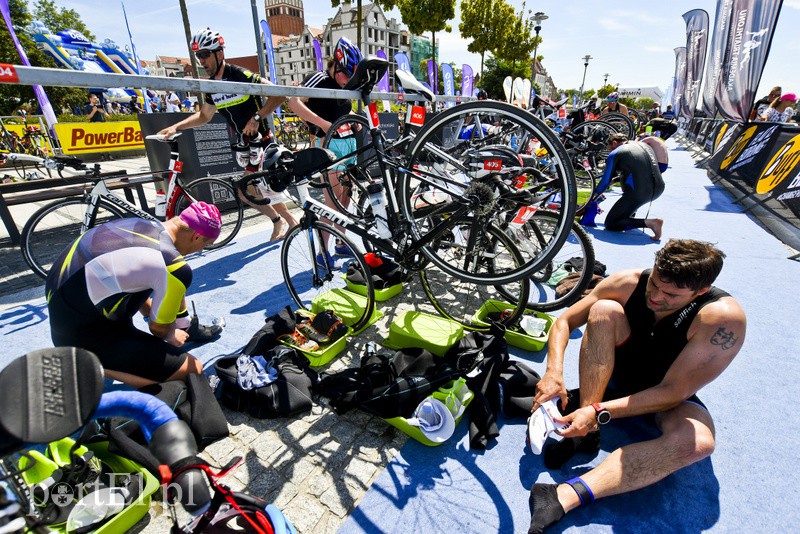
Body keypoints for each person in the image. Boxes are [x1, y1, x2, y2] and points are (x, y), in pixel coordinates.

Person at [527, 239, 746, 534]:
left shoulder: (722, 320)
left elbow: (673, 392)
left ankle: (564, 495)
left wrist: (597, 410)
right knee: (604, 309)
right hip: (614, 375)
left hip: (667, 392)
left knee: (700, 444)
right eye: (654, 283)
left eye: (670, 294)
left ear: (700, 292)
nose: (655, 296)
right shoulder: (628, 282)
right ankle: (586, 433)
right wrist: (554, 371)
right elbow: (565, 320)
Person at [45, 202, 223, 388]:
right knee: (192, 372)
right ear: (196, 237)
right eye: (206, 244)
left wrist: (150, 314)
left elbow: (127, 281)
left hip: (66, 318)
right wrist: (170, 332)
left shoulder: (138, 223)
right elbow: (159, 330)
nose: (202, 250)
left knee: (151, 279)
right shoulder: (173, 265)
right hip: (86, 337)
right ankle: (91, 362)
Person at [158, 28, 297, 242]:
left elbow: (278, 94)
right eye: (198, 55)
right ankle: (287, 221)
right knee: (259, 189)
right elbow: (204, 116)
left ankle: (281, 221)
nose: (201, 60)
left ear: (219, 54)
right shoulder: (212, 87)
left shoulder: (239, 75)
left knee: (248, 190)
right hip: (244, 145)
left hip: (262, 142)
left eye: (205, 54)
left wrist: (257, 118)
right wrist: (176, 127)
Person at [287, 36, 363, 256]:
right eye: (346, 75)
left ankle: (340, 243)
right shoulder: (318, 78)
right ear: (336, 66)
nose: (348, 81)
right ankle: (322, 252)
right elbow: (293, 102)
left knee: (346, 197)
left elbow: (340, 109)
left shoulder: (343, 84)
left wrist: (352, 118)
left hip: (347, 144)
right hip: (326, 145)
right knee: (332, 203)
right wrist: (323, 124)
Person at [593, 132, 664, 240]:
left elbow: (605, 181)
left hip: (639, 192)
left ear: (614, 143)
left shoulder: (616, 152)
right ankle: (630, 214)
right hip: (658, 187)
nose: (609, 152)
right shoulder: (642, 145)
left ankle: (652, 223)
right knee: (628, 187)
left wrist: (592, 198)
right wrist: (616, 179)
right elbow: (641, 169)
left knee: (611, 223)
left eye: (609, 149)